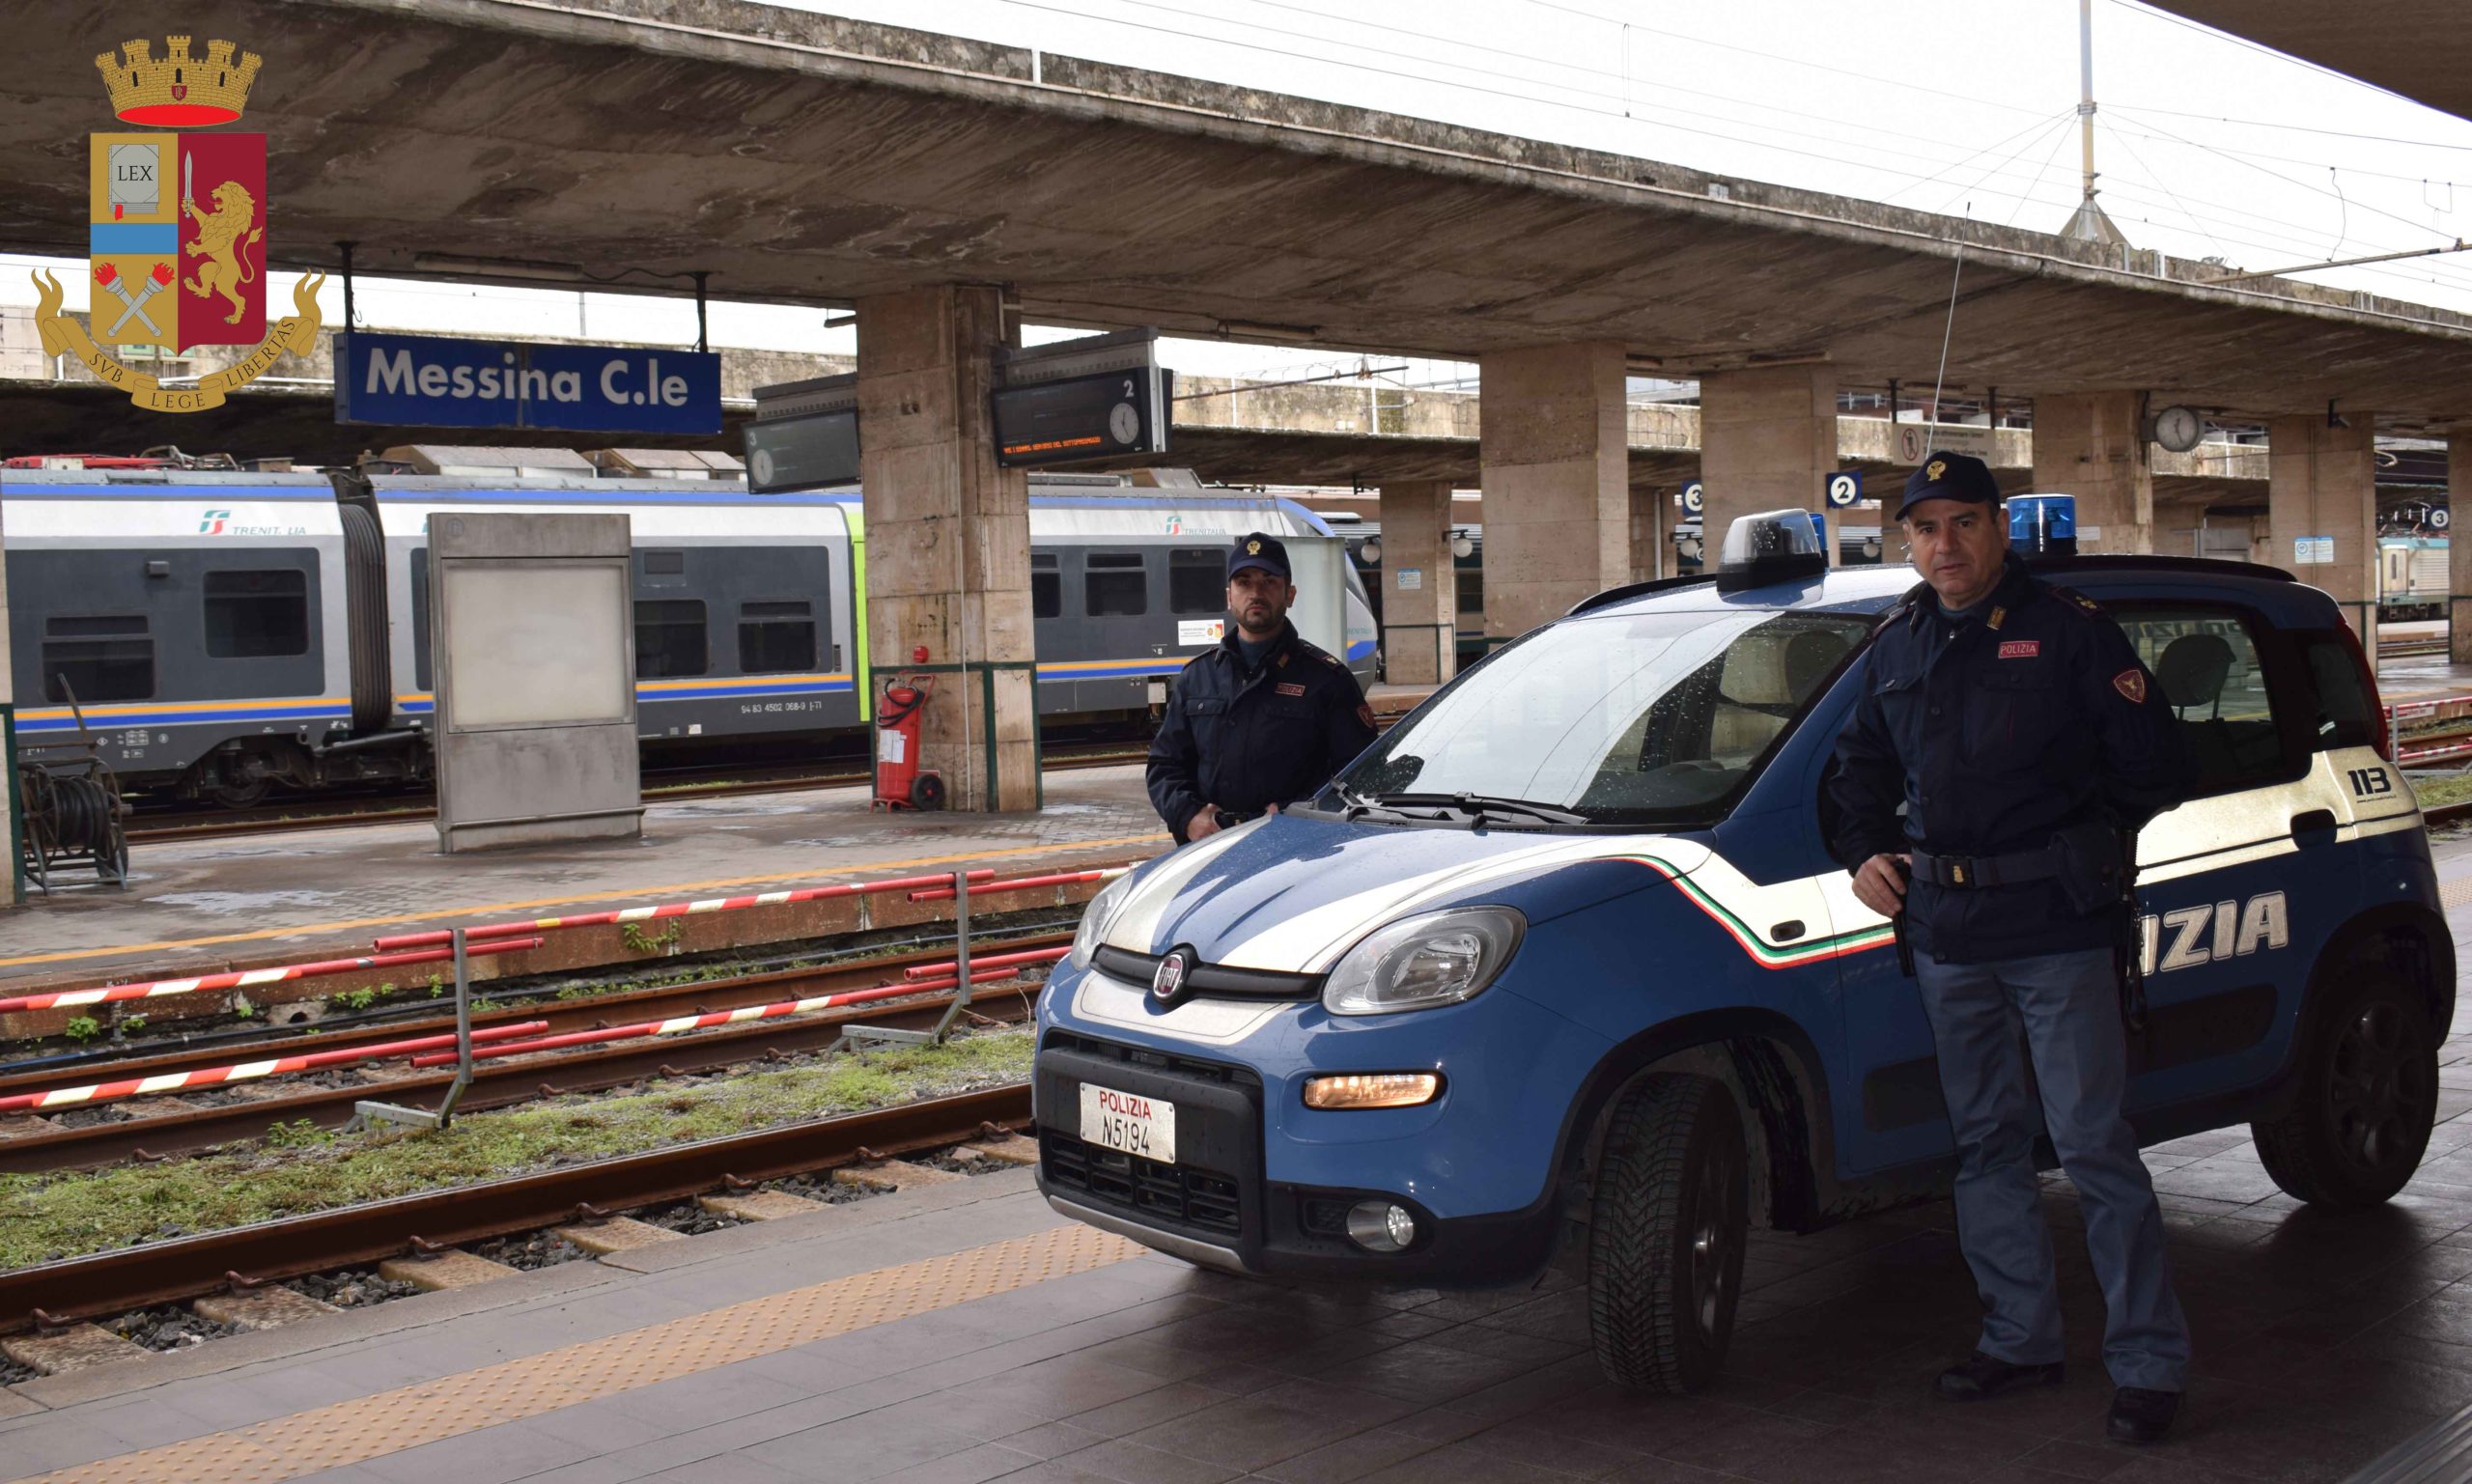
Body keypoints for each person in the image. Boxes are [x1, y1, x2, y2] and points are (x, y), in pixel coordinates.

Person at [1826, 451, 2200, 1445]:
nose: (1942, 545)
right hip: (1947, 934)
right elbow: (1854, 767)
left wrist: (2081, 846)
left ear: (1999, 529)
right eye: (1923, 529)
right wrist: (1862, 848)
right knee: (1985, 1143)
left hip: (2055, 932)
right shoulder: (1896, 641)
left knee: (2090, 1145)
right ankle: (2019, 1339)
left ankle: (2149, 1362)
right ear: (1905, 541)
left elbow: (2153, 763)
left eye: (1962, 523)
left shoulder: (2070, 634)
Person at [1146, 531, 1377, 845]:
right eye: (1244, 582)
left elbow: (1358, 772)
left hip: (1295, 849)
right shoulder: (1196, 677)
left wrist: (1296, 813)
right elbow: (1165, 765)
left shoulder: (1327, 679)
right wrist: (1188, 816)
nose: (1255, 592)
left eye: (1269, 581)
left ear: (1290, 594)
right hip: (1209, 847)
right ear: (1229, 597)